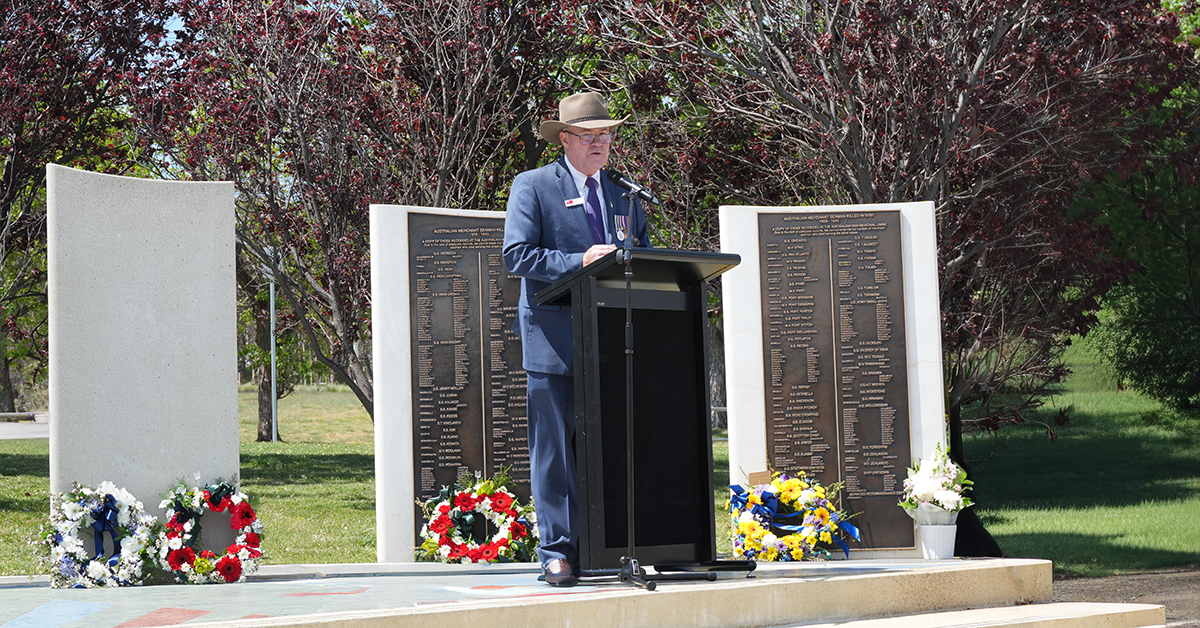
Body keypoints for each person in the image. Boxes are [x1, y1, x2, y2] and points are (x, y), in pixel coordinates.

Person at [503, 91, 650, 586]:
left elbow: (644, 261)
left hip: (613, 344)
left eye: (606, 134)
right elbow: (517, 255)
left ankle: (608, 547)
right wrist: (579, 261)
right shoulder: (533, 186)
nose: (600, 143)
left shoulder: (625, 195)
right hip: (554, 341)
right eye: (589, 135)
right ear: (564, 139)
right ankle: (557, 552)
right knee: (554, 455)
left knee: (610, 449)